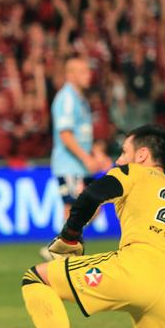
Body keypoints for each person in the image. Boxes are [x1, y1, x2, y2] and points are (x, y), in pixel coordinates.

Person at [21, 124, 165, 328]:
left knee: (37, 279)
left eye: (125, 152)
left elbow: (91, 195)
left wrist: (70, 236)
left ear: (142, 154)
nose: (118, 160)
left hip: (137, 269)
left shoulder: (134, 171)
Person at [40, 57, 104, 261]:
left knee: (94, 208)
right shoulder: (66, 98)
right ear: (70, 75)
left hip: (80, 165)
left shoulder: (80, 99)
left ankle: (62, 246)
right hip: (69, 165)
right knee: (74, 208)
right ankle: (62, 249)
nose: (89, 75)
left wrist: (97, 154)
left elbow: (81, 134)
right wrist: (86, 158)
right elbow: (65, 134)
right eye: (84, 71)